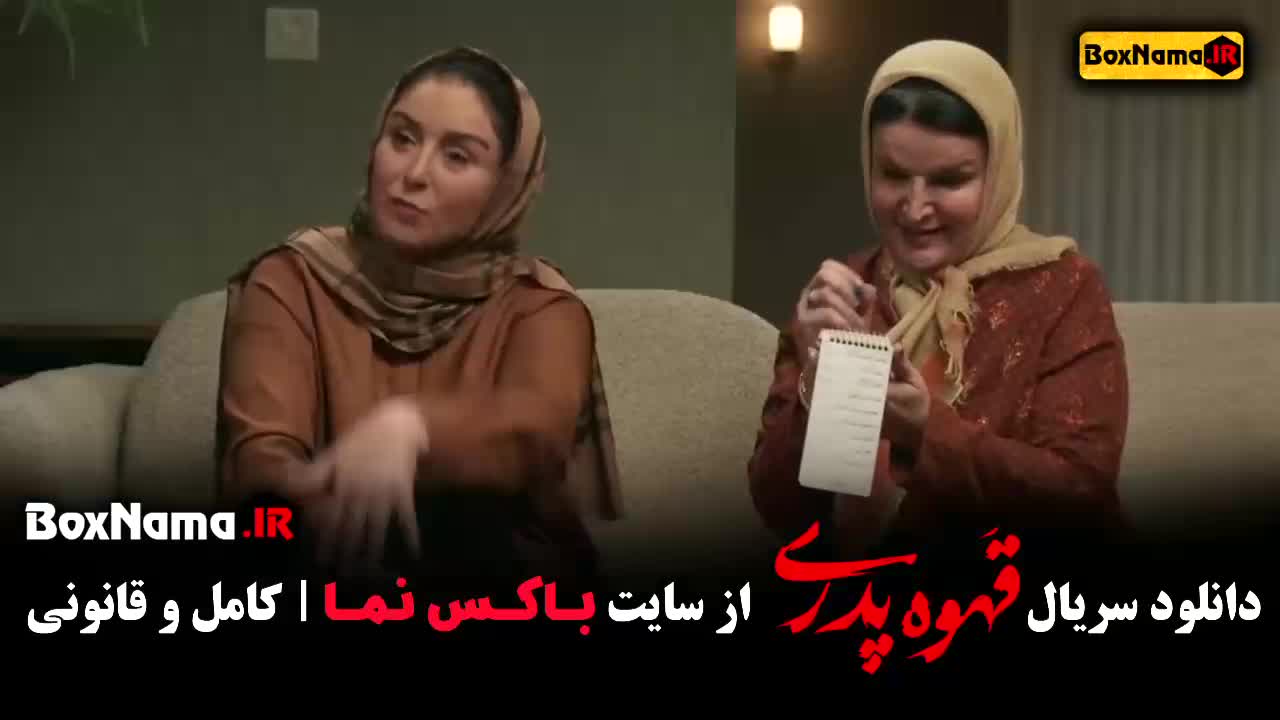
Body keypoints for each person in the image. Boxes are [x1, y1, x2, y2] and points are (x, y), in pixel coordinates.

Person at [215, 47, 623, 588]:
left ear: (507, 184)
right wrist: (327, 515)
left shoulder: (542, 306)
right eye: (403, 138)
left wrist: (414, 429)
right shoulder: (293, 277)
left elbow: (534, 431)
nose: (413, 174)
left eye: (457, 156)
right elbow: (260, 461)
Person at [747, 40, 1130, 558]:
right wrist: (818, 384)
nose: (915, 208)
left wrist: (924, 429)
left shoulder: (1064, 289)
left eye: (949, 180)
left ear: (998, 173)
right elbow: (783, 514)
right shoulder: (844, 291)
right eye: (893, 175)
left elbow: (1079, 496)